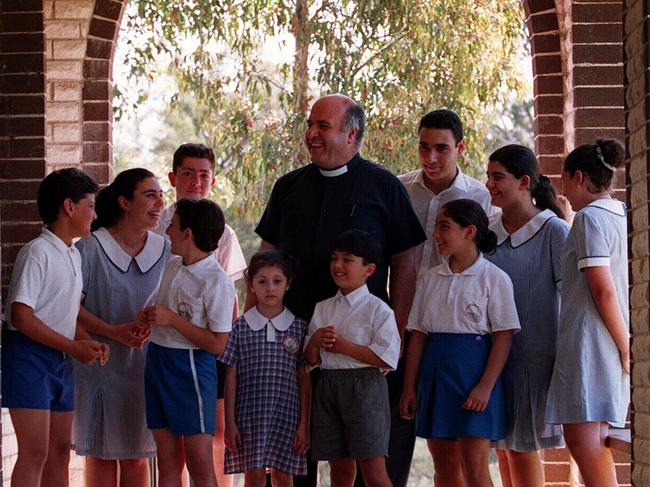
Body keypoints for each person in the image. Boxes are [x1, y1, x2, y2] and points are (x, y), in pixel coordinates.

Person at [253, 94, 425, 486]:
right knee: (291, 454)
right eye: (310, 125)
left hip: (361, 352)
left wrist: (395, 333)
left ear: (352, 134)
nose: (311, 134)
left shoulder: (384, 187)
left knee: (364, 459)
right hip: (292, 343)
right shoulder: (288, 186)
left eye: (323, 126)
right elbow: (265, 259)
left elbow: (406, 263)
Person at [395, 109, 497, 485]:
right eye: (424, 147)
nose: (431, 158)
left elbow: (486, 263)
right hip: (409, 323)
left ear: (460, 148)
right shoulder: (400, 189)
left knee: (473, 457)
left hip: (464, 334)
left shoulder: (479, 197)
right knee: (424, 444)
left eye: (441, 148)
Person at [400, 199, 520, 487]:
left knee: (476, 469)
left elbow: (503, 336)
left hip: (474, 379)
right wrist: (409, 387)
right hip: (436, 379)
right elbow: (418, 334)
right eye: (436, 227)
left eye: (445, 227)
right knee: (444, 468)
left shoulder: (494, 279)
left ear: (469, 231)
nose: (437, 235)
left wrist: (485, 387)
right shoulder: (429, 279)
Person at [2, 168, 108, 487]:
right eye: (90, 205)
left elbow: (64, 311)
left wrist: (86, 341)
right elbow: (21, 315)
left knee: (60, 450)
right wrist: (74, 346)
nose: (95, 214)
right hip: (28, 359)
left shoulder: (72, 254)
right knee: (35, 452)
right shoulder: (37, 252)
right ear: (68, 207)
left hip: (60, 360)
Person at [152, 142, 246, 486]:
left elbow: (226, 302)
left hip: (196, 355)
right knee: (167, 455)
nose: (195, 182)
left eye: (203, 175)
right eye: (188, 174)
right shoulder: (159, 227)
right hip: (159, 353)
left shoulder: (219, 233)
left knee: (206, 448)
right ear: (173, 177)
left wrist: (229, 353)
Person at [73, 168, 170, 487]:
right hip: (98, 364)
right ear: (124, 202)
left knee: (137, 457)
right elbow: (70, 307)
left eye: (160, 195)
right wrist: (114, 332)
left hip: (146, 368)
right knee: (100, 455)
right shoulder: (89, 249)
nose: (159, 203)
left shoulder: (167, 250)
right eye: (150, 195)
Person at [545, 139, 629, 487]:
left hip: (591, 343)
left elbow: (602, 287)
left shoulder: (589, 219)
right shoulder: (621, 213)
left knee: (584, 441)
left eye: (564, 182)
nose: (562, 193)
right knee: (593, 440)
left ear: (578, 177)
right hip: (609, 340)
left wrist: (626, 348)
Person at [484, 145, 569, 487]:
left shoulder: (554, 232)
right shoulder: (487, 233)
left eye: (497, 177)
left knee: (520, 450)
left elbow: (575, 300)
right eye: (488, 176)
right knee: (503, 451)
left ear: (523, 182)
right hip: (493, 361)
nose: (489, 184)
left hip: (534, 361)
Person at [139, 198, 235, 487]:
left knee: (199, 461)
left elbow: (219, 344)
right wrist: (146, 319)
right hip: (157, 360)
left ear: (188, 233)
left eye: (172, 225)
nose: (167, 232)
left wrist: (172, 320)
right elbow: (162, 311)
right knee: (167, 459)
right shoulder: (173, 266)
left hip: (190, 367)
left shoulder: (216, 280)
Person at [305, 229, 400, 487]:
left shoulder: (378, 310)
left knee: (374, 470)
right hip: (328, 387)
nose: (338, 265)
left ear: (369, 270)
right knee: (339, 468)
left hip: (365, 389)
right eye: (334, 258)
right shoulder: (323, 308)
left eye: (347, 260)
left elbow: (386, 358)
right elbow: (310, 360)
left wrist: (344, 346)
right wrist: (315, 342)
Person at [221, 250, 310, 486]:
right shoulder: (240, 328)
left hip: (286, 416)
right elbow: (231, 376)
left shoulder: (299, 328)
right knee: (255, 474)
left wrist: (304, 424)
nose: (270, 288)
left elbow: (304, 378)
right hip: (249, 416)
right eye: (262, 281)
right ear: (251, 285)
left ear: (288, 284)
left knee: (283, 475)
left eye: (277, 281)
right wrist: (229, 422)